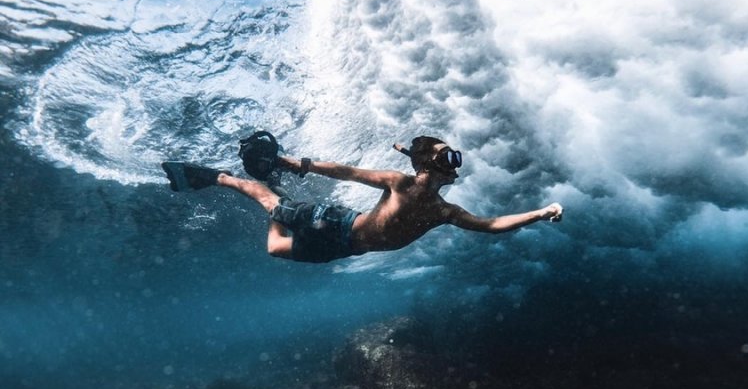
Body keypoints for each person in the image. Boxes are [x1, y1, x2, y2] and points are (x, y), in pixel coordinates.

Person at [162, 135, 563, 264]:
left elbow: (491, 226)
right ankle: (219, 178)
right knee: (272, 208)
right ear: (427, 163)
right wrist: (292, 160)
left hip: (345, 250)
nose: (453, 161)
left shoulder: (446, 211)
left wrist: (540, 213)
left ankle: (276, 193)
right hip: (334, 224)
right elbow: (345, 171)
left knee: (273, 247)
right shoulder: (399, 182)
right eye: (446, 154)